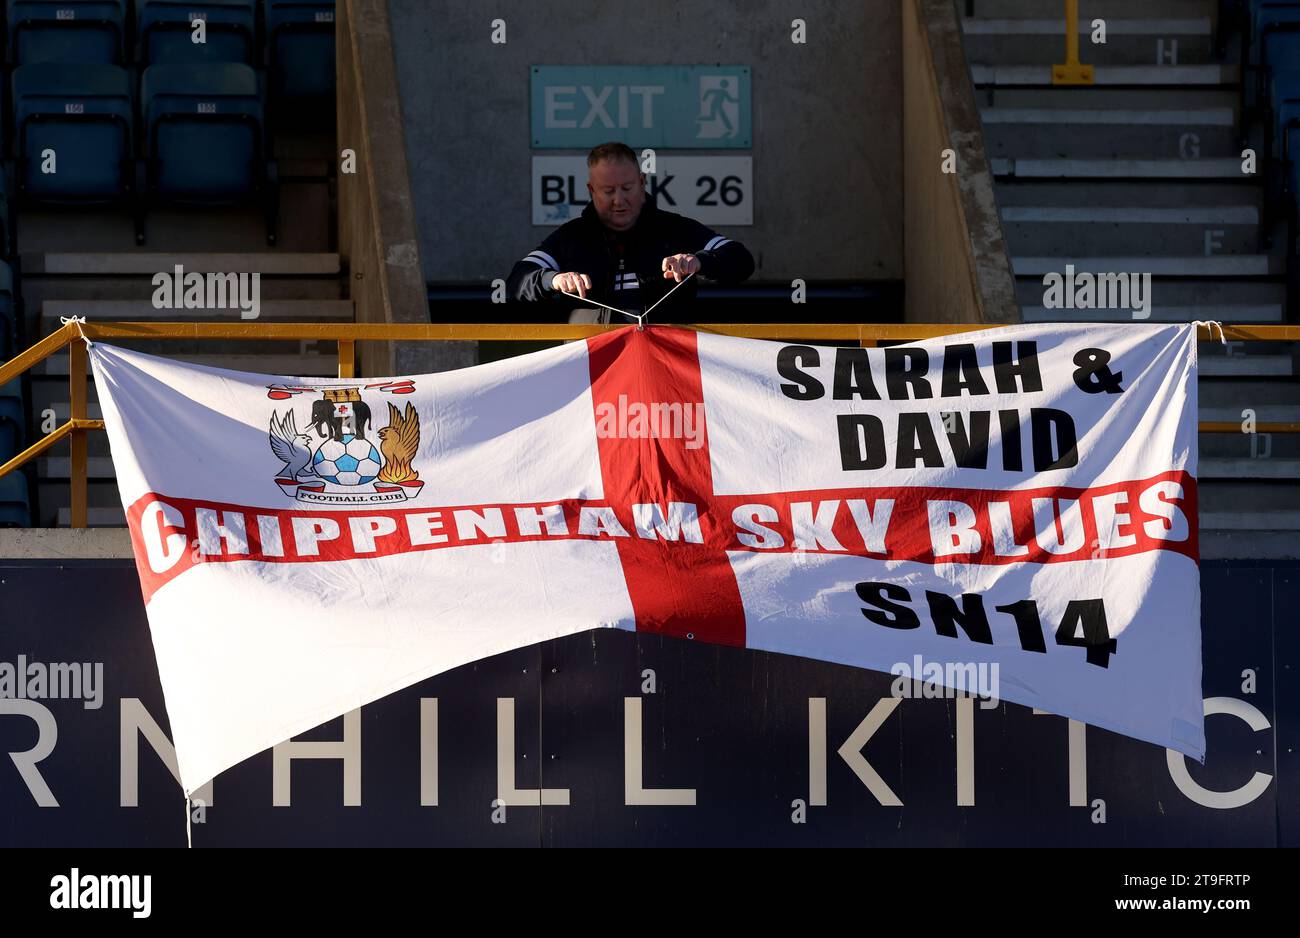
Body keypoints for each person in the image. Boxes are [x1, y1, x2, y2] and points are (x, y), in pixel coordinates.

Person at [506, 141, 755, 322]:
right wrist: (553, 279)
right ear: (591, 190)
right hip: (590, 377)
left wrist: (699, 261)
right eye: (608, 191)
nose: (619, 200)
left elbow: (741, 260)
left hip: (665, 379)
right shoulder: (572, 237)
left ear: (642, 182)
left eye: (627, 188)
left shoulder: (674, 228)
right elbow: (517, 281)